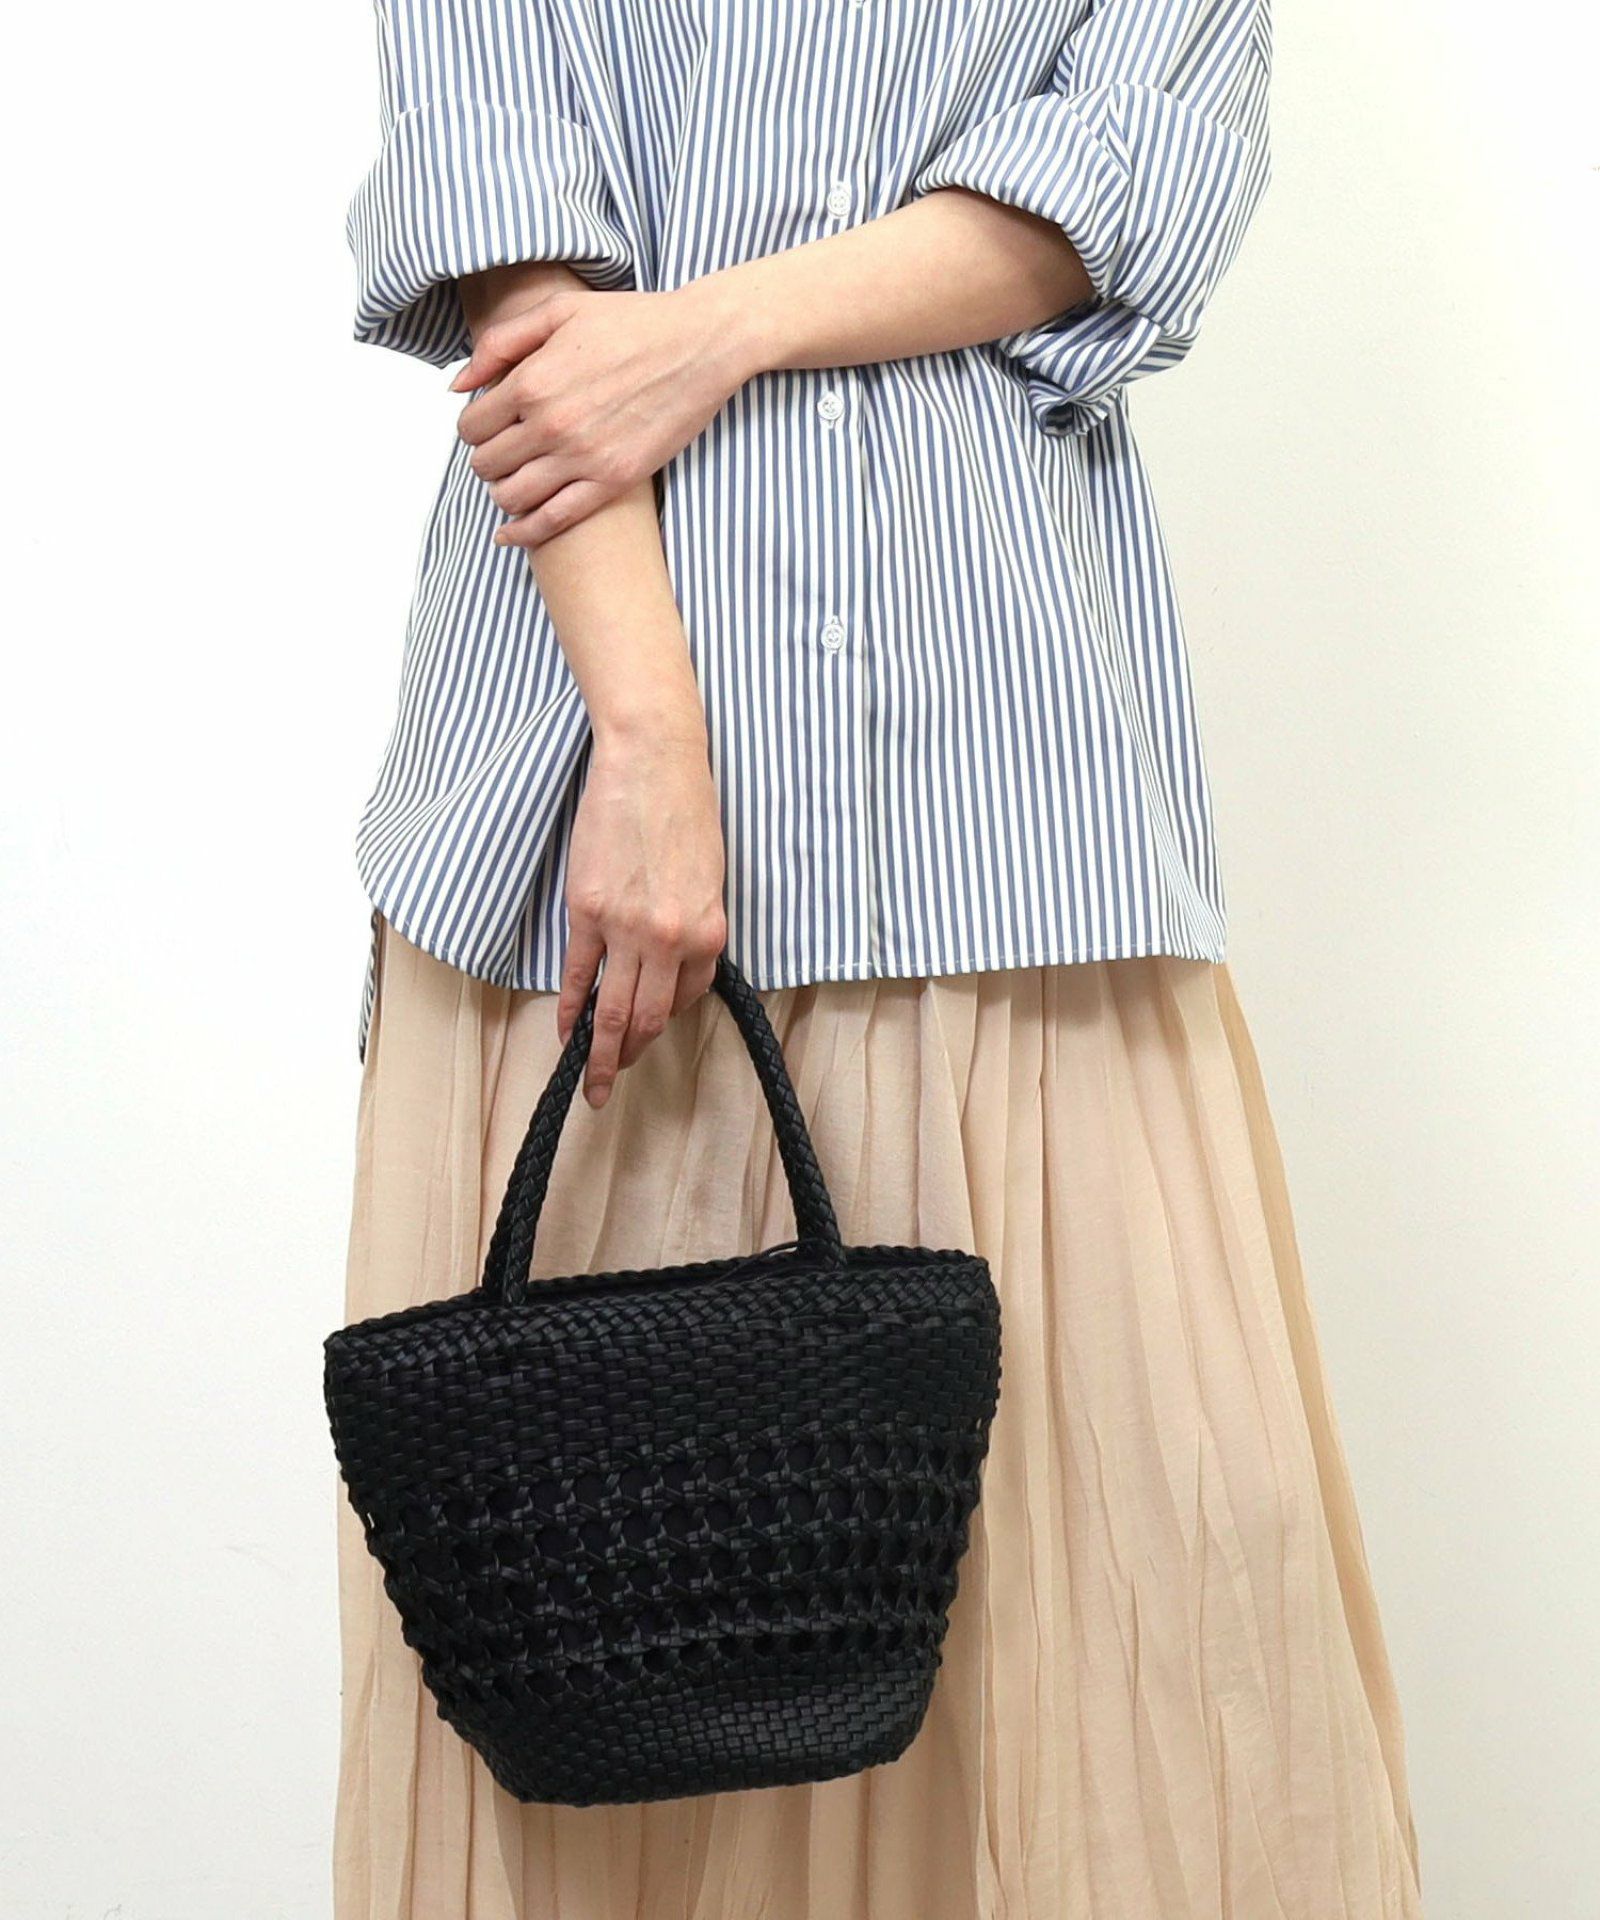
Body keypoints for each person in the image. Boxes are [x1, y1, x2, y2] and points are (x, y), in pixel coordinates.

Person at [333, 2, 1425, 1914]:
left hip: (1009, 800)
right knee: (607, 1630)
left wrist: (705, 330)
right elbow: (510, 241)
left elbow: (1131, 175)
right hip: (586, 788)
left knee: (1135, 1595)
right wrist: (648, 748)